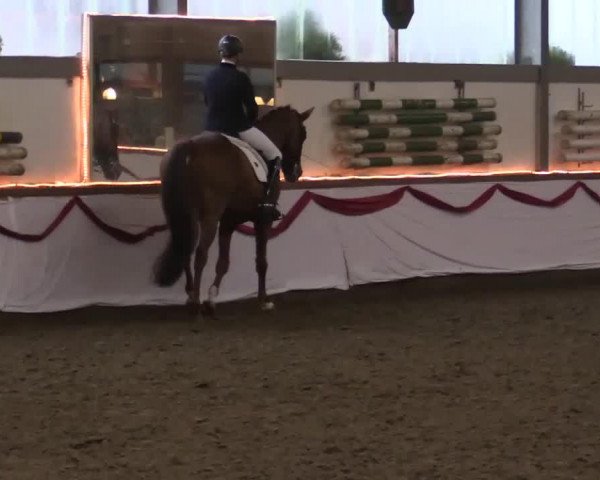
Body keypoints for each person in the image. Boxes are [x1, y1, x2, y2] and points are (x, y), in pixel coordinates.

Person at [203, 34, 282, 221]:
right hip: (236, 128)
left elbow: (207, 102)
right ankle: (267, 204)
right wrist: (250, 121)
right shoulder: (241, 78)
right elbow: (252, 108)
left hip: (210, 129)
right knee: (276, 155)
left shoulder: (209, 76)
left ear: (221, 53)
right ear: (237, 55)